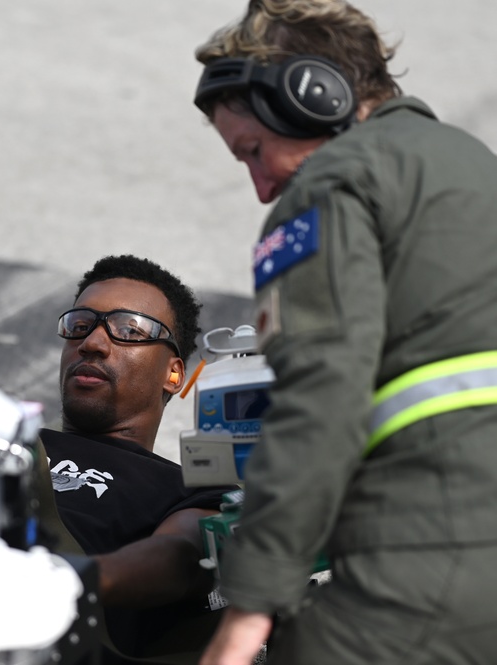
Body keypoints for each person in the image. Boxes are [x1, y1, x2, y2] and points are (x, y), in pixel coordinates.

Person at [191, 1, 497, 663]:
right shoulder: (471, 165)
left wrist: (245, 614)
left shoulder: (330, 184)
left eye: (252, 149)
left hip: (434, 555)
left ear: (309, 98)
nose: (261, 185)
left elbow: (320, 396)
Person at [38, 254, 234, 662]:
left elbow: (183, 556)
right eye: (80, 325)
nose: (91, 342)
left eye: (129, 329)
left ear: (174, 373)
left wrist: (66, 581)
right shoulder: (9, 442)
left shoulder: (192, 488)